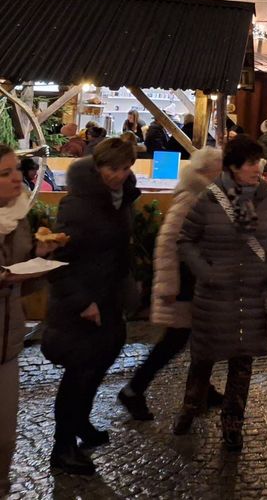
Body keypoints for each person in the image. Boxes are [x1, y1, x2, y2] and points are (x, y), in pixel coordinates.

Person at [174, 135, 267, 451]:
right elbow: (186, 240)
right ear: (234, 167)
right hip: (215, 293)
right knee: (204, 355)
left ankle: (233, 421)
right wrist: (205, 272)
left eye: (258, 162)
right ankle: (191, 407)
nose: (257, 168)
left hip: (251, 291)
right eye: (251, 163)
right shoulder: (210, 198)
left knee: (242, 359)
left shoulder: (265, 197)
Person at [41, 137, 140, 476]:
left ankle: (81, 425)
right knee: (79, 376)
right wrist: (84, 301)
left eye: (126, 169)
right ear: (98, 167)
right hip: (82, 305)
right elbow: (60, 259)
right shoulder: (78, 204)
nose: (120, 175)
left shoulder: (121, 198)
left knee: (97, 368)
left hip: (110, 298)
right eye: (113, 169)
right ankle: (62, 447)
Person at [118, 148, 223, 422]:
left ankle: (201, 389)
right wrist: (167, 287)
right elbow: (167, 242)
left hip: (195, 281)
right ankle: (133, 389)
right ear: (208, 171)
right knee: (174, 341)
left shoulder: (205, 195)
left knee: (199, 339)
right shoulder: (192, 197)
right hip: (184, 283)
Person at [0, 145, 60, 495]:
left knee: (5, 438)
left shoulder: (20, 218)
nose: (15, 178)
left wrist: (39, 260)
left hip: (8, 342)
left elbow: (24, 283)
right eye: (5, 173)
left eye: (15, 169)